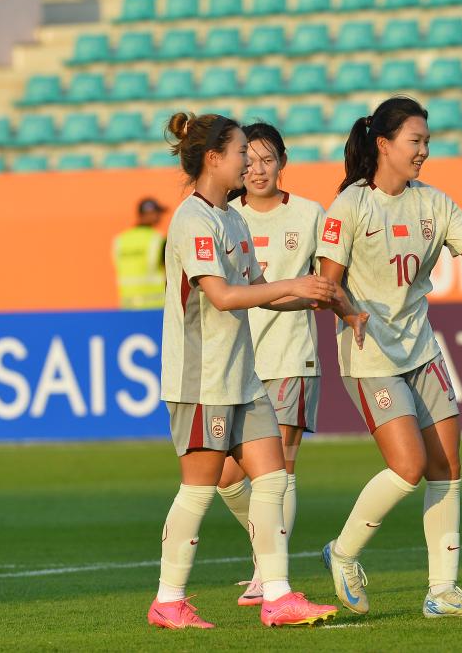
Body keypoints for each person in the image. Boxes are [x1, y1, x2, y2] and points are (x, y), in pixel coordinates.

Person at [315, 96, 462, 619]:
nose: (423, 151)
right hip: (371, 355)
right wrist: (350, 314)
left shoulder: (434, 202)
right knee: (408, 466)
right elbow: (327, 284)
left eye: (427, 142)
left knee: (447, 465)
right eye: (415, 141)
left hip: (421, 349)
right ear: (384, 144)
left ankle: (443, 592)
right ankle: (342, 552)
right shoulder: (350, 206)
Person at [149, 111, 352, 629]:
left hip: (242, 374)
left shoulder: (233, 219)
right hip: (202, 378)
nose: (249, 161)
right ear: (213, 158)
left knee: (273, 478)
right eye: (241, 151)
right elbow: (221, 296)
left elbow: (259, 290)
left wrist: (315, 295)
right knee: (200, 489)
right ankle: (168, 600)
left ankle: (277, 595)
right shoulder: (193, 220)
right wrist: (294, 285)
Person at [209, 122, 329, 607]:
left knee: (278, 470)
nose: (257, 170)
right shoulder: (224, 216)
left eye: (267, 159)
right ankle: (268, 549)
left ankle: (268, 571)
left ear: (283, 161)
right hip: (236, 361)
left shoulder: (309, 214)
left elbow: (330, 278)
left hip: (291, 355)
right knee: (224, 475)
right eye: (250, 159)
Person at [112, 197, 167, 310]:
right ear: (149, 214)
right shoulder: (157, 239)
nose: (160, 217)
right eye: (158, 213)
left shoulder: (120, 240)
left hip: (128, 305)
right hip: (155, 305)